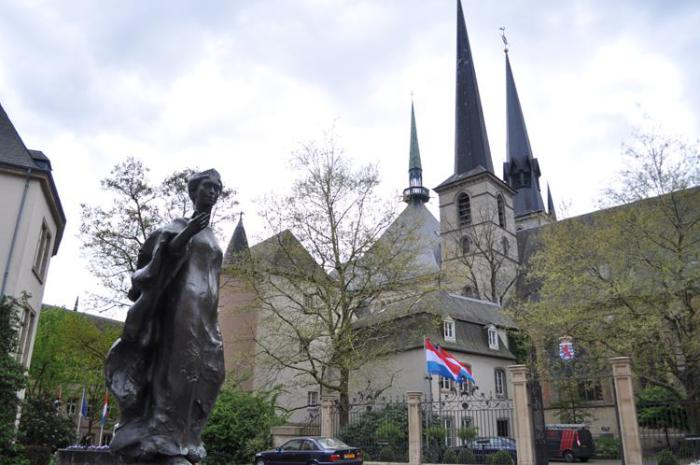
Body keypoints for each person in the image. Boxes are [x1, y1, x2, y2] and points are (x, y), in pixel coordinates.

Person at [105, 169, 226, 465]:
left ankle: (188, 436)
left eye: (217, 188)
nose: (213, 192)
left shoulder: (212, 235)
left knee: (212, 370)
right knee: (177, 368)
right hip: (181, 305)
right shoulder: (179, 226)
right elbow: (160, 260)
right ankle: (164, 439)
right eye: (207, 187)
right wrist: (188, 233)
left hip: (206, 313)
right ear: (193, 191)